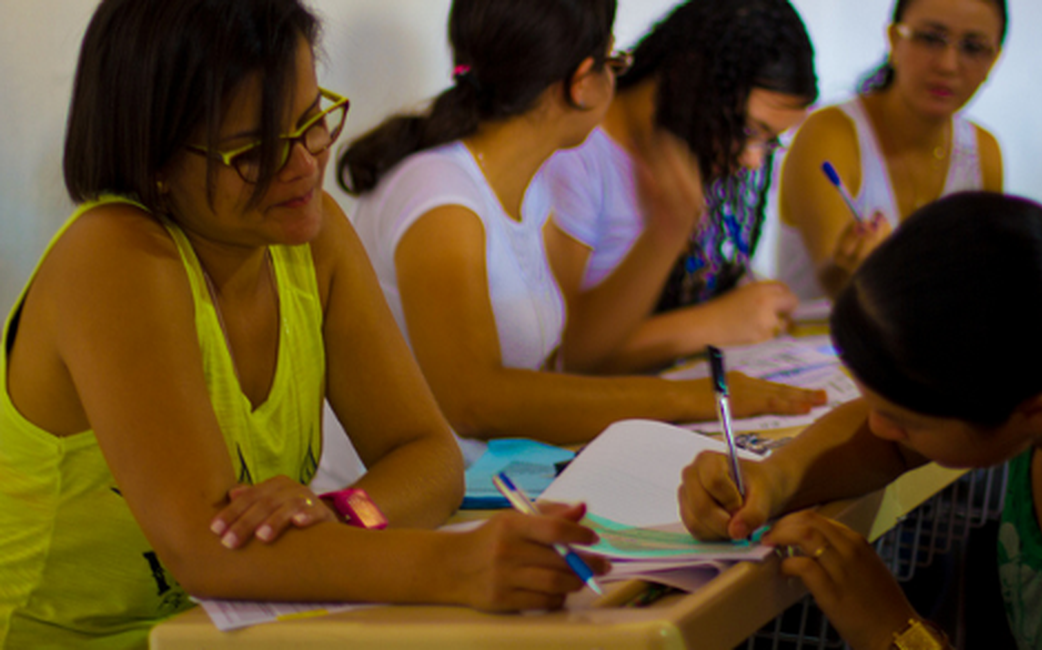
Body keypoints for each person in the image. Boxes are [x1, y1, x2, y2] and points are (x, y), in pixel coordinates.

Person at [0, 1, 613, 647]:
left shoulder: (308, 237)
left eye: (311, 121)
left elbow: (429, 459)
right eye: (253, 150)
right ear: (153, 157)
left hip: (240, 628)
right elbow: (206, 554)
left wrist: (336, 513)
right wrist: (458, 565)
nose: (302, 164)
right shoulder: (115, 258)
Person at [335, 0, 826, 448]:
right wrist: (694, 398)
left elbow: (552, 364)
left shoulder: (530, 190)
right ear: (581, 83)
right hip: (399, 505)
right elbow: (473, 400)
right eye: (614, 64)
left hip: (494, 478)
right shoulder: (438, 193)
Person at [678, 192, 1042, 649]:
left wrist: (895, 632)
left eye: (904, 418)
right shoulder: (1041, 376)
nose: (878, 426)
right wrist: (774, 479)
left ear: (1033, 412)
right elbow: (885, 442)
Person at [543, 0, 819, 375]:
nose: (754, 160)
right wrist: (711, 323)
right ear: (693, 81)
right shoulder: (577, 154)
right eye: (749, 130)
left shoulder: (694, 145)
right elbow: (566, 355)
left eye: (771, 142)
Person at [776, 0, 1006, 299]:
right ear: (895, 40)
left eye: (973, 48)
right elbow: (841, 289)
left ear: (993, 60)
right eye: (930, 39)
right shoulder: (831, 134)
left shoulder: (983, 153)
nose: (948, 64)